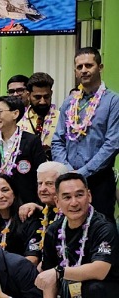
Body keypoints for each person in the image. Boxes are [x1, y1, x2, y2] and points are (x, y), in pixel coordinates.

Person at [35, 172, 119, 298]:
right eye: (67, 197)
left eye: (79, 195)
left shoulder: (103, 227)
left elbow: (100, 269)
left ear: (89, 196)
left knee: (94, 287)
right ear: (57, 201)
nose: (74, 202)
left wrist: (60, 272)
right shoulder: (54, 231)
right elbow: (49, 278)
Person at [52, 47, 119, 221]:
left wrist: (83, 172)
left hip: (99, 179)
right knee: (70, 226)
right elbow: (57, 140)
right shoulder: (69, 102)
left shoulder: (113, 101)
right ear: (75, 71)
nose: (84, 70)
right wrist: (67, 169)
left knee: (101, 226)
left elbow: (112, 143)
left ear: (100, 67)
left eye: (89, 65)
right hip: (68, 179)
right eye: (79, 67)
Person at [0, 95, 46, 204]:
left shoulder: (31, 141)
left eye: (0, 112)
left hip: (25, 204)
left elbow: (40, 174)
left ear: (15, 114)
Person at [18, 161, 69, 270]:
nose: (42, 189)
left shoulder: (73, 215)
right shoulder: (38, 214)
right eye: (40, 183)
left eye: (49, 183)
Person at [0, 174, 41, 263]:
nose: (0, 196)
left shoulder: (28, 218)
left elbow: (33, 259)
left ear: (14, 193)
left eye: (5, 190)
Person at [18, 72, 59, 153]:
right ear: (28, 95)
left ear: (51, 94)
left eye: (46, 97)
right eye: (37, 97)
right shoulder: (19, 121)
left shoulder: (62, 118)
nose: (42, 102)